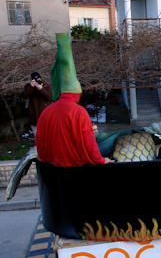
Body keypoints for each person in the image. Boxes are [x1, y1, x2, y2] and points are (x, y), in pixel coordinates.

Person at [36, 32, 111, 167]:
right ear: (76, 93)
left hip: (54, 169)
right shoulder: (79, 112)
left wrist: (44, 159)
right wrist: (100, 160)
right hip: (76, 169)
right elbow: (89, 142)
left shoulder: (46, 112)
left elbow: (40, 140)